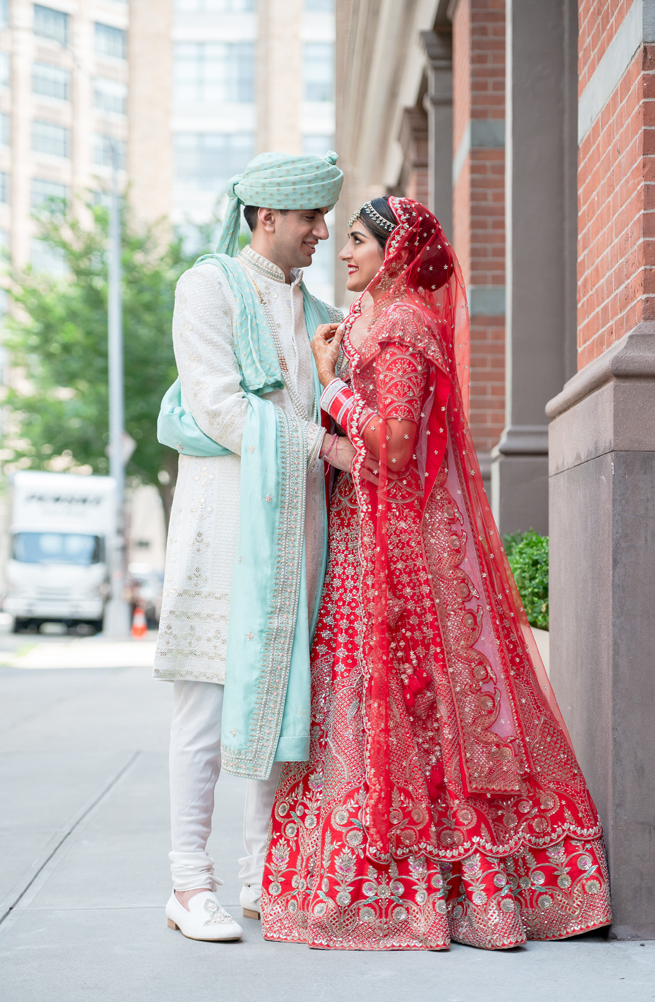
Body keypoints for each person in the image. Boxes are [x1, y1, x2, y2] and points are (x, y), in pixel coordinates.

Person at [261, 196, 612, 951]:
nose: (342, 252)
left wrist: (328, 390)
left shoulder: (401, 327)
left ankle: (451, 891)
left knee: (421, 704)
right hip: (367, 538)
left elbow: (392, 447)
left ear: (391, 250)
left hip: (404, 549)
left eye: (354, 240)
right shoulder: (370, 320)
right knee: (374, 701)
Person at [153, 151, 352, 942]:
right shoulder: (206, 288)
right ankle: (187, 883)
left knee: (279, 705)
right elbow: (218, 406)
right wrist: (321, 446)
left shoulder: (310, 308)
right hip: (221, 525)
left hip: (296, 526)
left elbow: (324, 405)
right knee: (204, 707)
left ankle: (261, 874)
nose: (324, 233)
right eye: (311, 218)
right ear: (266, 216)